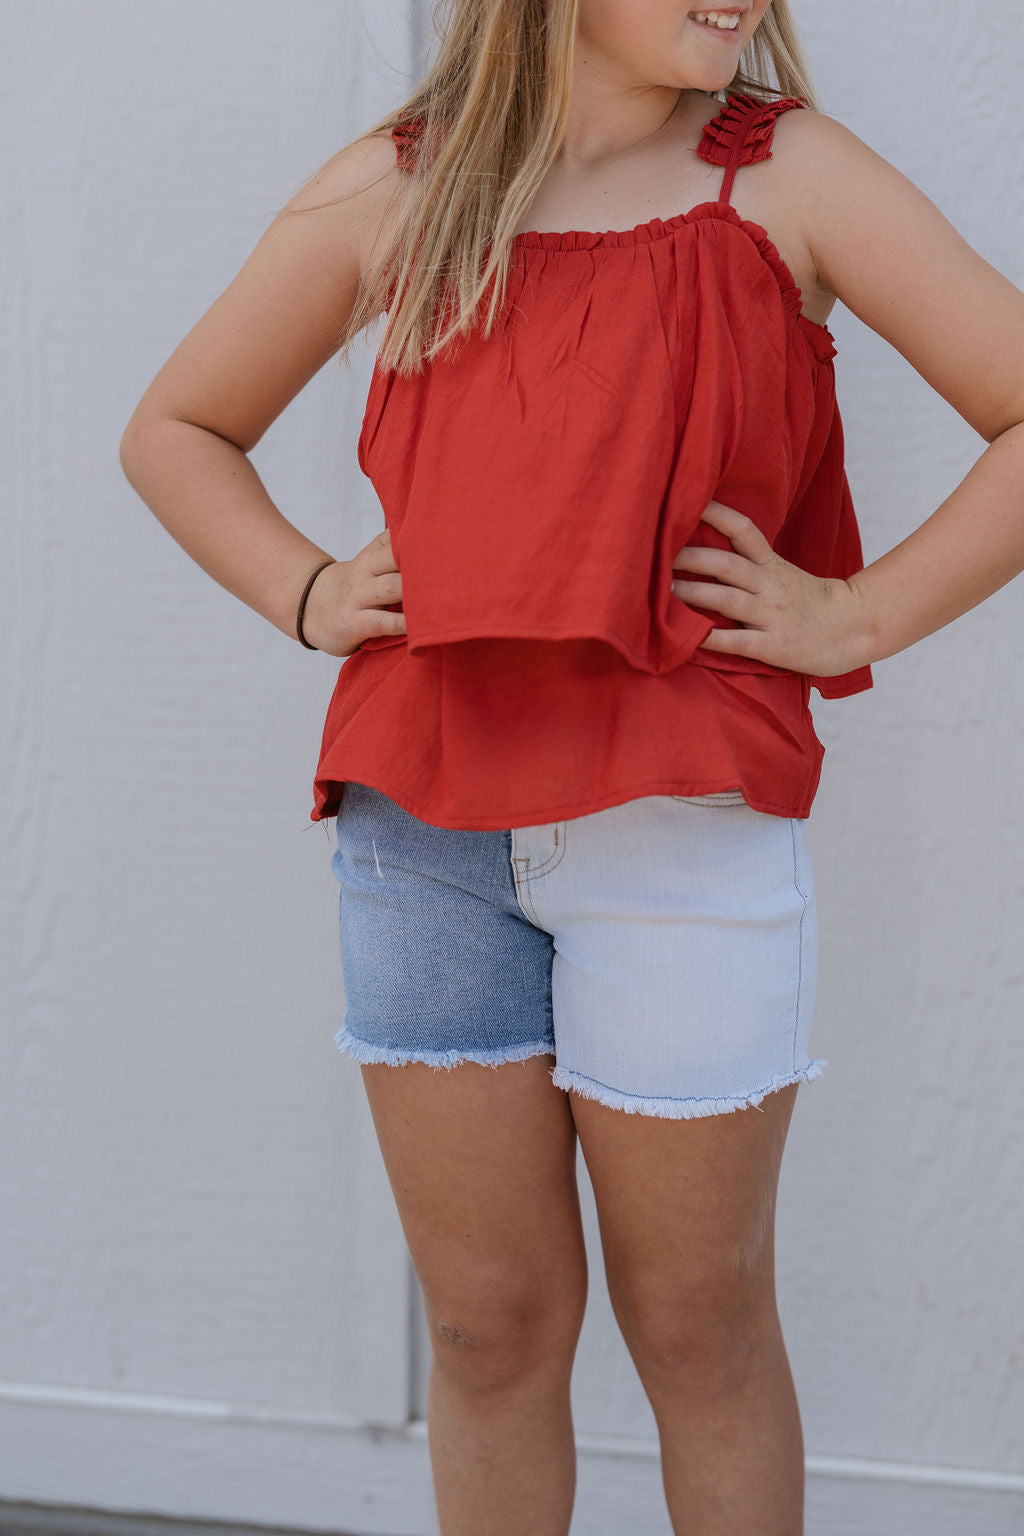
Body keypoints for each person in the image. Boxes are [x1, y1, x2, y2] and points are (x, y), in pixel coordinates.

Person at [118, 2, 1024, 1532]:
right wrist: (308, 589)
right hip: (422, 834)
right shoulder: (404, 183)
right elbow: (178, 427)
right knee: (486, 1331)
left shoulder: (788, 174)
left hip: (682, 832)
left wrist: (857, 614)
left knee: (699, 1332)